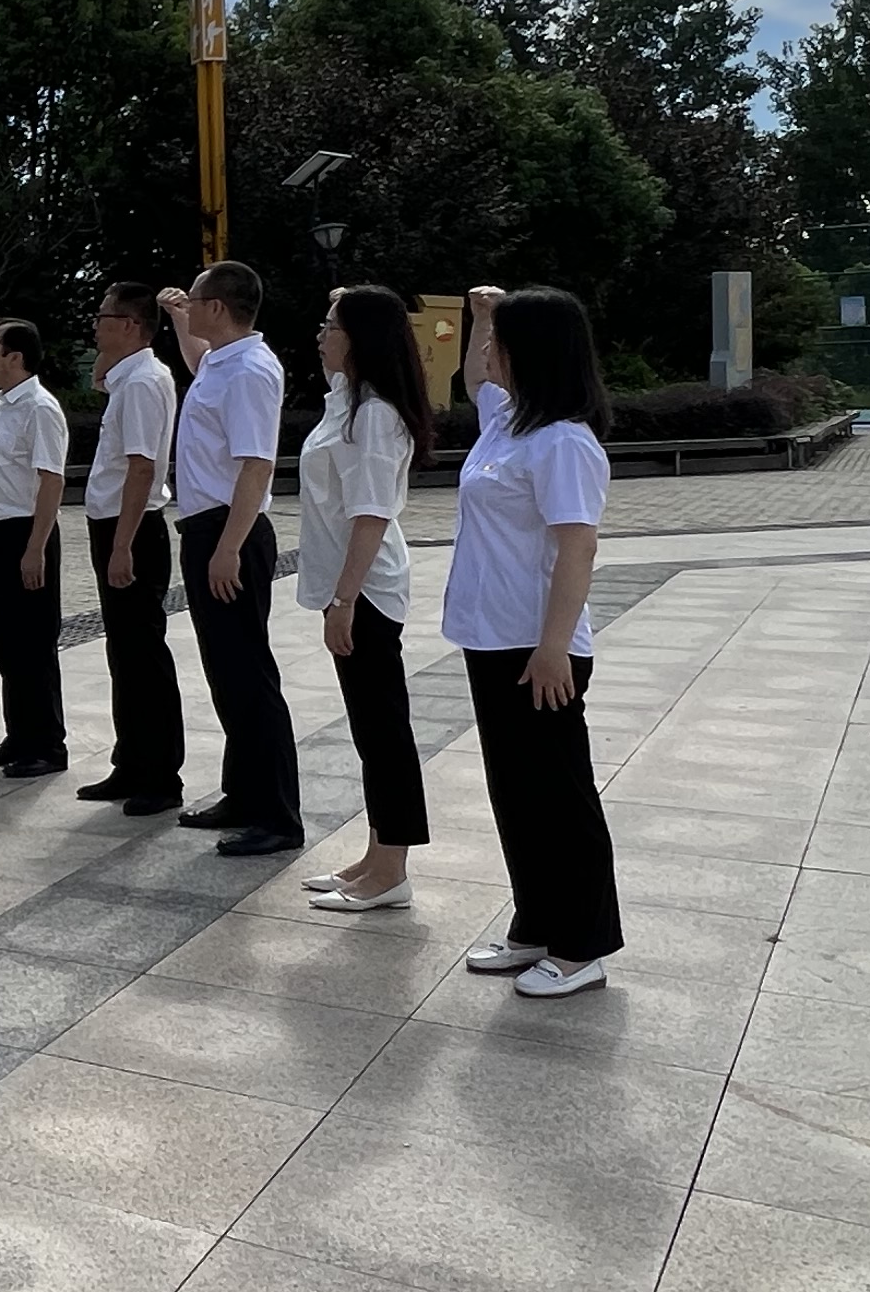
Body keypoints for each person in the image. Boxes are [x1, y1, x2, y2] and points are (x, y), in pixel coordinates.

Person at [447, 283, 625, 995]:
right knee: (516, 795)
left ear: (536, 352)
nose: (489, 352)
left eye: (500, 342)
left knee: (559, 798)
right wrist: (480, 317)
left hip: (537, 647)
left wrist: (553, 648)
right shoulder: (508, 421)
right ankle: (536, 926)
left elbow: (579, 547)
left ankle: (582, 946)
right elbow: (472, 380)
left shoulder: (564, 443)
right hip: (490, 636)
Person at [154, 262, 301, 858]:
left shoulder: (250, 371)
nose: (188, 305)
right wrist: (176, 319)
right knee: (227, 673)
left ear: (217, 307)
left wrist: (229, 548)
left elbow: (257, 464)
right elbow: (196, 360)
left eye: (194, 299)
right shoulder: (221, 361)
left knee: (249, 675)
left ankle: (277, 815)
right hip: (206, 528)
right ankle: (243, 794)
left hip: (228, 531)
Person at [299, 283, 436, 913]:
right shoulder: (346, 401)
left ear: (360, 340)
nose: (321, 335)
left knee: (383, 731)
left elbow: (372, 513)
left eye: (332, 326)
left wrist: (346, 599)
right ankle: (376, 855)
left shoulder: (375, 415)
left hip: (367, 590)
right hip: (347, 586)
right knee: (369, 728)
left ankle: (392, 870)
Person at [79, 283, 185, 814]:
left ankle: (160, 776)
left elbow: (142, 468)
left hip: (134, 528)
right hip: (117, 525)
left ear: (130, 325)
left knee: (142, 655)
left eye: (103, 317)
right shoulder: (129, 376)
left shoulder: (143, 382)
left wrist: (123, 545)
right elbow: (98, 377)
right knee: (123, 652)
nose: (95, 325)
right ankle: (131, 761)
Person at [0, 321, 72, 776]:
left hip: (26, 533)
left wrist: (36, 548)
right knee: (7, 643)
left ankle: (47, 745)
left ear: (15, 357)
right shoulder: (2, 403)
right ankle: (19, 736)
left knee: (33, 644)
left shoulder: (40, 408)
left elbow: (52, 480)